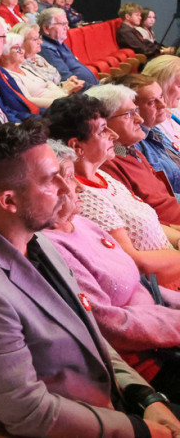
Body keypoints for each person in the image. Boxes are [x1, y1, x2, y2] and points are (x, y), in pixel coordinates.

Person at [0, 119, 180, 437]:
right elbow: (30, 413)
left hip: (112, 399)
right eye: (53, 181)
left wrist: (144, 395)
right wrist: (136, 428)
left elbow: (90, 333)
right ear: (9, 201)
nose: (71, 188)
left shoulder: (34, 237)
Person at [43, 138, 180, 398]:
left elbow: (144, 287)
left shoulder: (81, 223)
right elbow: (110, 326)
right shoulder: (53, 247)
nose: (80, 189)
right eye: (71, 178)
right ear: (47, 188)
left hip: (162, 325)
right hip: (146, 363)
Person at [46, 93, 180, 287]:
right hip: (159, 285)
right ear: (76, 145)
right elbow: (134, 264)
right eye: (102, 130)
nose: (114, 135)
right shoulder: (82, 195)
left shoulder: (103, 175)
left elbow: (153, 224)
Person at [86, 83, 180, 227]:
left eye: (136, 111)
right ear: (104, 123)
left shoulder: (129, 149)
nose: (140, 119)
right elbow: (138, 224)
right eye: (129, 114)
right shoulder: (106, 164)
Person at [0, 32, 66, 109]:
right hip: (51, 108)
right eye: (17, 49)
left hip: (60, 99)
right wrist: (60, 103)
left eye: (22, 48)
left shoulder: (24, 67)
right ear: (4, 53)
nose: (22, 51)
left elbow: (48, 83)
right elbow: (28, 101)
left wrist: (63, 96)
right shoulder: (8, 75)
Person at [15, 21, 85, 95]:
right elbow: (41, 93)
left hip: (65, 95)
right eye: (35, 39)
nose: (41, 42)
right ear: (21, 43)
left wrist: (70, 83)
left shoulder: (39, 58)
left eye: (40, 38)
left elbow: (57, 82)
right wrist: (65, 89)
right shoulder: (21, 66)